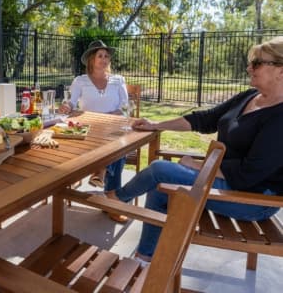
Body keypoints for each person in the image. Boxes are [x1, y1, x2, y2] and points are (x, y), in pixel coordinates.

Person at [107, 36, 283, 262]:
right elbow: (206, 119)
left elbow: (249, 173)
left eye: (257, 63)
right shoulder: (250, 97)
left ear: (280, 71)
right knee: (161, 185)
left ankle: (117, 198)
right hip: (224, 182)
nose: (249, 67)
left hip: (252, 199)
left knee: (160, 170)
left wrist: (199, 166)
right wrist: (156, 125)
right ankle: (145, 256)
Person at [59, 40, 130, 222]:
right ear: (92, 59)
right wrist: (66, 106)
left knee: (119, 145)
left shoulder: (118, 80)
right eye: (100, 55)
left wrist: (116, 113)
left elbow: (125, 106)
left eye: (107, 56)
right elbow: (71, 103)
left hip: (113, 126)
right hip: (87, 127)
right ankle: (112, 197)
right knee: (118, 150)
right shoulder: (80, 81)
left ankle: (101, 171)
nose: (104, 59)